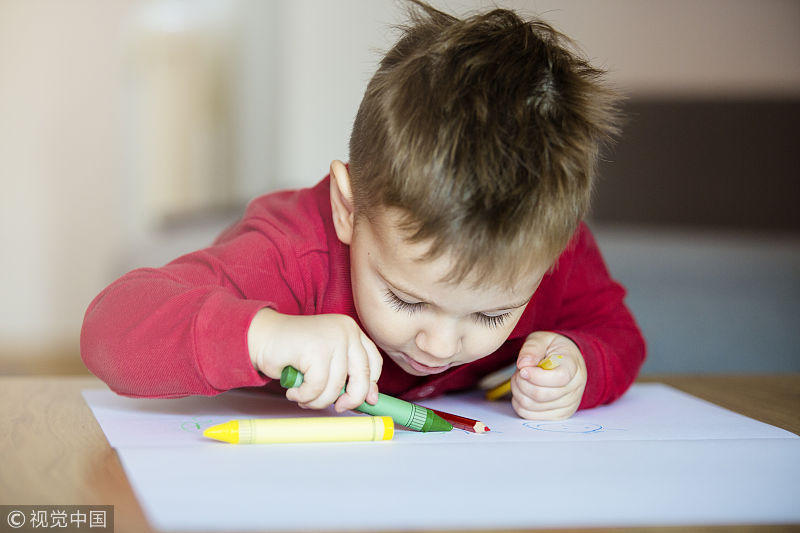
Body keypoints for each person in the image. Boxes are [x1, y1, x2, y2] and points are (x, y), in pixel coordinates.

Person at [81, 0, 645, 421]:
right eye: (406, 298)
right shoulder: (290, 252)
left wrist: (581, 364)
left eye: (492, 315)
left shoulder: (541, 245)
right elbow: (110, 329)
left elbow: (618, 332)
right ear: (349, 208)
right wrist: (265, 334)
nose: (441, 346)